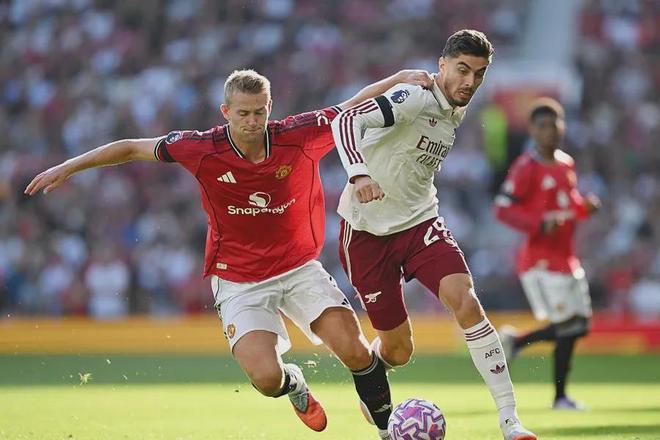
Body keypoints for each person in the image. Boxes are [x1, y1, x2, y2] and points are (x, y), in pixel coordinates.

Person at [25, 68, 434, 439]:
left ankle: (388, 431)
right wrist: (68, 167)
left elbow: (351, 108)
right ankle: (294, 384)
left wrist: (397, 79)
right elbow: (132, 147)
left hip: (299, 269)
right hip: (239, 279)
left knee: (357, 352)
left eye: (259, 112)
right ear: (226, 112)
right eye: (243, 113)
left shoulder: (299, 134)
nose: (252, 121)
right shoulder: (201, 147)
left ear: (270, 107)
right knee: (266, 379)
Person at [331, 29, 537, 440]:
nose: (470, 82)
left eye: (478, 74)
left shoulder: (455, 107)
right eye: (462, 70)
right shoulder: (415, 97)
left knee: (466, 301)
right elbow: (346, 118)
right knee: (398, 351)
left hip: (420, 222)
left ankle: (510, 421)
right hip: (367, 234)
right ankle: (375, 371)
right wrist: (358, 174)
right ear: (442, 65)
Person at [494, 97, 600, 410]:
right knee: (568, 325)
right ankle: (560, 398)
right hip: (540, 261)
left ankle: (516, 341)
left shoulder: (567, 163)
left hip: (567, 257)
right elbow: (502, 210)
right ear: (532, 130)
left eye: (555, 125)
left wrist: (585, 207)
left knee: (580, 326)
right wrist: (538, 223)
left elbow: (568, 204)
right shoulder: (526, 167)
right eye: (543, 126)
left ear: (562, 127)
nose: (550, 131)